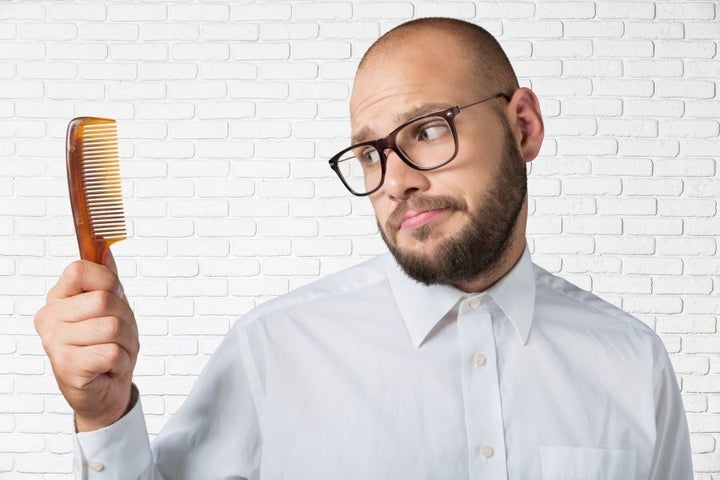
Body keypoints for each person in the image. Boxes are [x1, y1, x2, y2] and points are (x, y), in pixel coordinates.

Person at [35, 17, 693, 480]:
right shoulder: (276, 349)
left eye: (429, 130)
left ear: (523, 125)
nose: (397, 179)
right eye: (371, 152)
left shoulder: (633, 363)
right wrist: (104, 415)